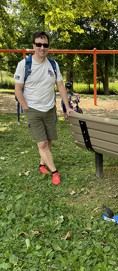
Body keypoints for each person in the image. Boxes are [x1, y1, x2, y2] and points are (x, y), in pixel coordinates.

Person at [14, 31, 73, 185]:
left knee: (48, 140)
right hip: (33, 109)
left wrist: (67, 107)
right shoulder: (24, 65)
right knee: (41, 143)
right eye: (38, 44)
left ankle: (42, 165)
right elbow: (18, 89)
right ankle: (55, 171)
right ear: (33, 45)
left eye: (45, 45)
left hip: (49, 108)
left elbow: (60, 85)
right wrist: (26, 108)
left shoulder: (53, 65)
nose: (42, 47)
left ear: (48, 47)